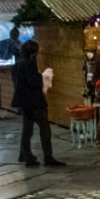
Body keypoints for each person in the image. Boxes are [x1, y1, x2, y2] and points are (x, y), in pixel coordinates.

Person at [13, 40, 64, 168]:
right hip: (34, 102)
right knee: (45, 129)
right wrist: (41, 77)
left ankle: (25, 154)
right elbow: (34, 82)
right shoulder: (29, 64)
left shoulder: (17, 64)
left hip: (24, 102)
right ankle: (48, 156)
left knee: (27, 130)